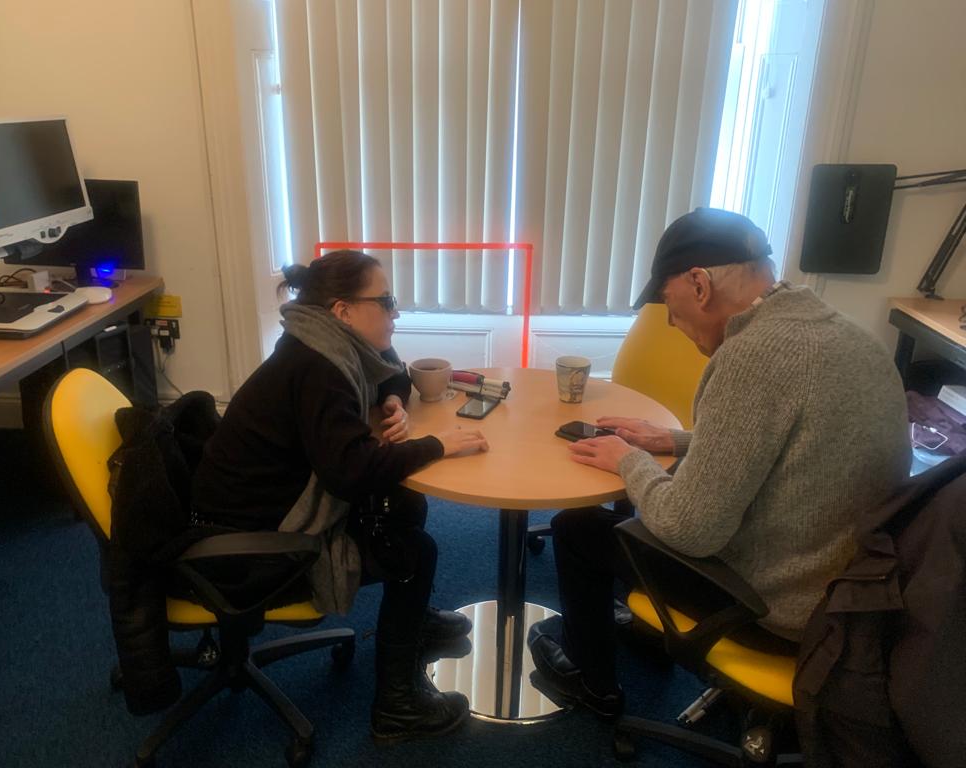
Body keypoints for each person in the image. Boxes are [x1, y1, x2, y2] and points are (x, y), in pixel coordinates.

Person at [528, 208, 912, 718]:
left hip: (774, 610)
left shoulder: (752, 354)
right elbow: (799, 443)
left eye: (669, 303)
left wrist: (630, 460)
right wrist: (676, 440)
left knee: (579, 530)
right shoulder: (845, 333)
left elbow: (690, 529)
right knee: (639, 511)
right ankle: (648, 632)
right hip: (851, 595)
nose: (669, 321)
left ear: (700, 284)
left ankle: (591, 685)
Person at [191, 250, 489, 744]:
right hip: (250, 543)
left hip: (250, 505)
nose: (396, 313)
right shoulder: (320, 368)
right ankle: (397, 707)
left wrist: (391, 397)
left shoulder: (320, 342)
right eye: (387, 301)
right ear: (343, 310)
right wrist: (437, 445)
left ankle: (412, 622)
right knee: (413, 551)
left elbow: (390, 367)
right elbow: (350, 473)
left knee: (406, 505)